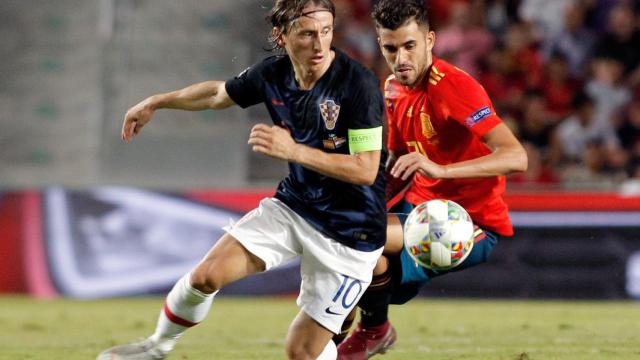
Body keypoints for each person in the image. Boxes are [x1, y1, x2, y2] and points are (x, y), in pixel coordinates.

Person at [96, 1, 388, 359]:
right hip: (295, 207)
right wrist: (158, 101)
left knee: (301, 352)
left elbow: (365, 169)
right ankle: (157, 346)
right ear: (282, 36)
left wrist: (294, 151)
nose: (319, 44)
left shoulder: (358, 84)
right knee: (205, 276)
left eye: (326, 32)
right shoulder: (271, 75)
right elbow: (217, 94)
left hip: (351, 234)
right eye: (308, 33)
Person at [335, 1, 528, 358]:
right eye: (391, 48)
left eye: (410, 45)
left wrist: (442, 170)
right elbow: (396, 161)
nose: (401, 58)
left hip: (468, 222)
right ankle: (338, 340)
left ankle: (371, 329)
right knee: (341, 251)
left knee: (359, 242)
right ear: (380, 45)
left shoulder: (454, 87)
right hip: (417, 208)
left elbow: (516, 156)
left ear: (430, 40)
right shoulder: (392, 88)